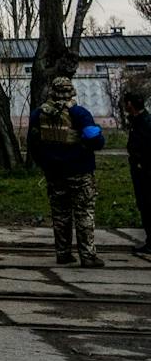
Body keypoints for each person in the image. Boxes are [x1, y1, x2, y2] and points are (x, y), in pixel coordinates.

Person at [28, 76, 107, 267]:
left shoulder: (38, 114)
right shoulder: (80, 113)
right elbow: (95, 142)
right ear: (72, 92)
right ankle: (87, 256)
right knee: (84, 213)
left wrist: (45, 164)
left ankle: (63, 253)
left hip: (54, 173)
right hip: (80, 172)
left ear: (52, 92)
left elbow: (32, 144)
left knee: (60, 214)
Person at [124, 75, 151, 258]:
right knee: (144, 206)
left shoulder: (145, 124)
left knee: (148, 205)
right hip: (140, 170)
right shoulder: (139, 121)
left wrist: (141, 163)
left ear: (130, 105)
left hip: (146, 172)